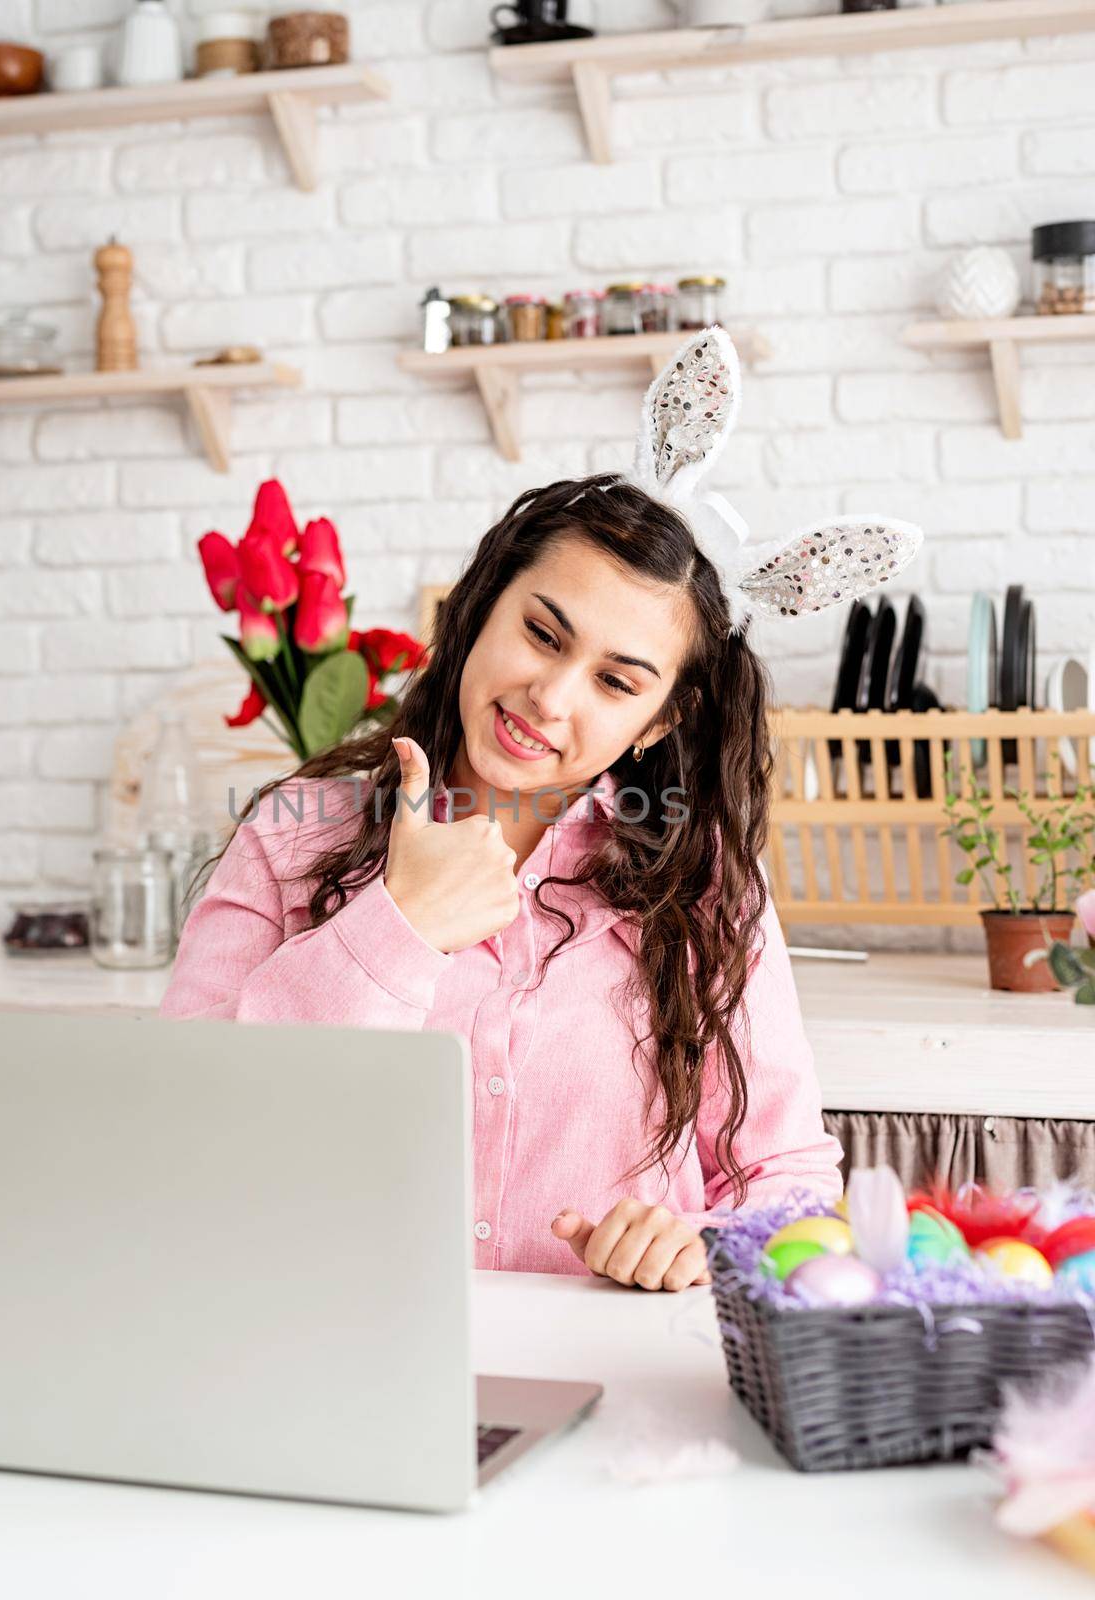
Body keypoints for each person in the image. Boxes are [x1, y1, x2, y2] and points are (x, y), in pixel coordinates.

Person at [159, 329, 924, 1291]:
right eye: (541, 632)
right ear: (483, 605)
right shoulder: (292, 836)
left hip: (607, 1373)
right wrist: (396, 931)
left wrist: (703, 1242)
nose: (551, 697)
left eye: (616, 680)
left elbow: (789, 1180)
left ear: (661, 719)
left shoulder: (706, 884)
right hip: (325, 1349)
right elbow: (177, 1126)